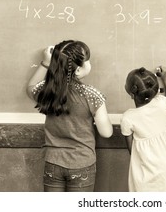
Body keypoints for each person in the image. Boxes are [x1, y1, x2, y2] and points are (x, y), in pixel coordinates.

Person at [26, 40, 113, 192]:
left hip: (53, 162)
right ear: (78, 70)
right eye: (87, 60)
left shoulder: (47, 91)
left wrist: (46, 63)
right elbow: (106, 132)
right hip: (82, 163)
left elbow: (30, 88)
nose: (90, 63)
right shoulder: (93, 96)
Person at [120, 66, 166, 192]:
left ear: (131, 94)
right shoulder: (161, 103)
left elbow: (132, 151)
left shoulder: (128, 118)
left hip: (144, 177)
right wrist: (165, 79)